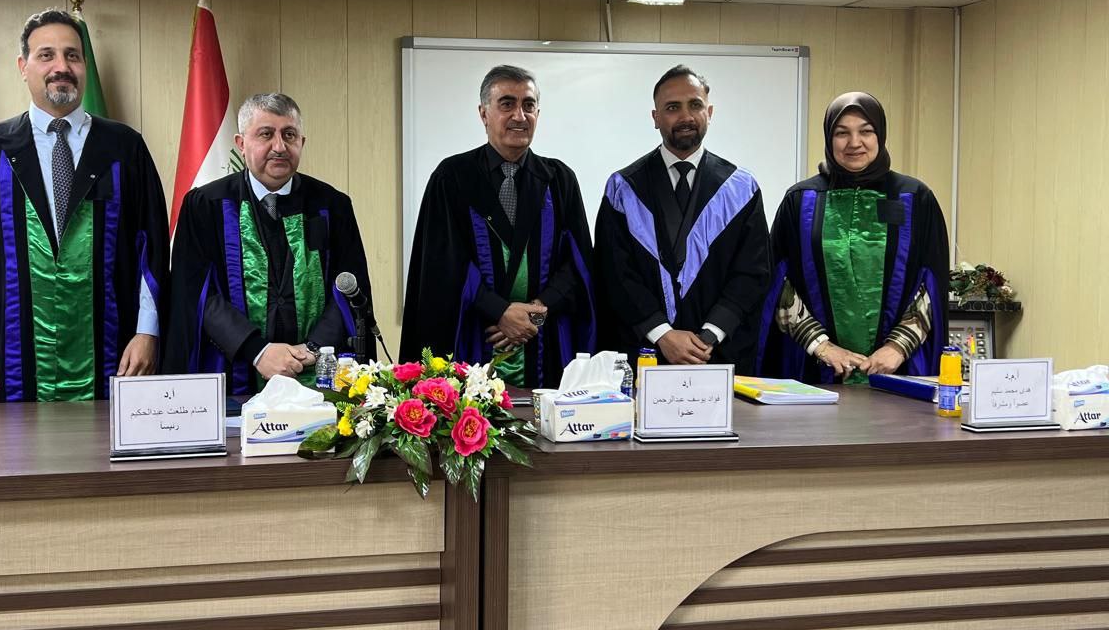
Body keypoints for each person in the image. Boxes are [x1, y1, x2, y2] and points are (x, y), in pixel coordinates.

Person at [0, 9, 169, 401]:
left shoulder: (125, 148)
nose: (62, 66)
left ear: (84, 66)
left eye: (72, 55)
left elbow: (152, 251)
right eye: (46, 55)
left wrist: (148, 332)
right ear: (23, 67)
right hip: (10, 357)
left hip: (114, 353)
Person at [401, 65, 595, 387]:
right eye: (507, 104)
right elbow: (441, 265)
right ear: (484, 113)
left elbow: (576, 264)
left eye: (528, 105)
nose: (519, 115)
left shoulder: (559, 180)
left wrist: (536, 312)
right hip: (472, 340)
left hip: (541, 342)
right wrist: (500, 312)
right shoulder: (452, 178)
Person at [165, 93, 372, 395]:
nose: (279, 147)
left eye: (289, 135)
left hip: (316, 374)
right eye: (266, 134)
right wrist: (256, 350)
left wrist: (314, 348)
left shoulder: (332, 205)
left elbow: (350, 288)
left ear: (302, 142)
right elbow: (196, 291)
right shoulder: (205, 205)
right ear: (241, 143)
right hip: (234, 373)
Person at [757, 91, 948, 383]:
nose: (854, 142)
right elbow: (778, 283)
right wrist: (821, 345)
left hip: (898, 371)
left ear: (880, 135)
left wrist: (898, 346)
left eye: (866, 131)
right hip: (815, 370)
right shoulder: (802, 199)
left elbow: (931, 282)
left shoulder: (914, 198)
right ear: (828, 138)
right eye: (842, 133)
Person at [595, 65, 770, 373]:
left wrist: (709, 335)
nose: (686, 116)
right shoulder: (623, 188)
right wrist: (662, 334)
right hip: (645, 353)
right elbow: (615, 273)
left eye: (695, 105)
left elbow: (752, 273)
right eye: (672, 107)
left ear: (709, 112)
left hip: (717, 355)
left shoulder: (741, 189)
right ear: (656, 118)